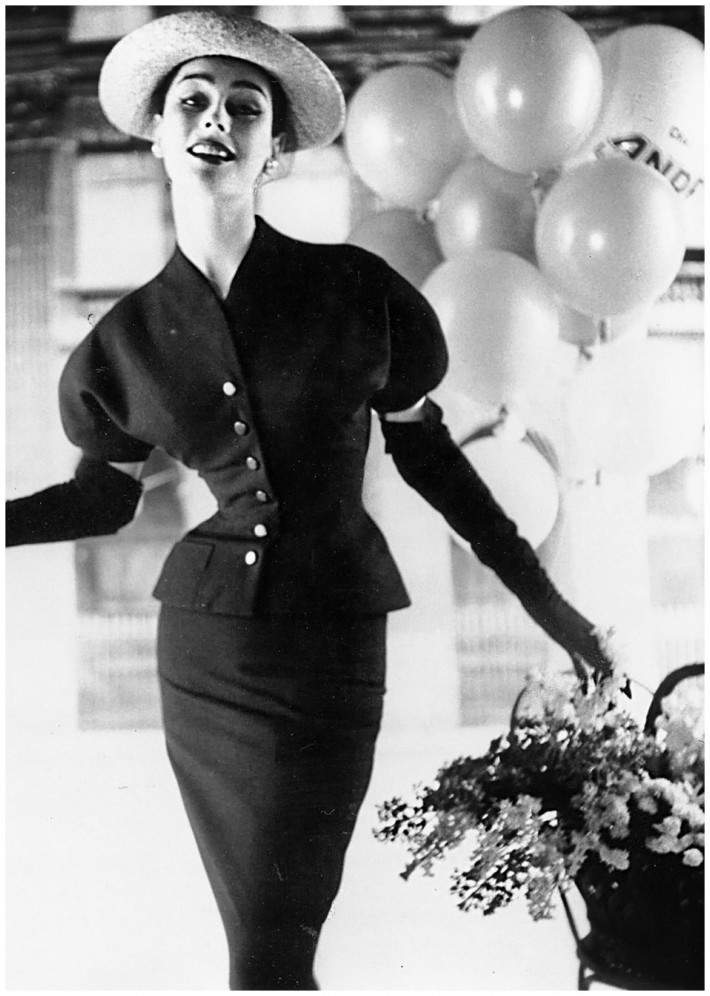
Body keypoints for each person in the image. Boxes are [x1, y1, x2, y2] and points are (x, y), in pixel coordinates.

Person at [5, 10, 615, 991]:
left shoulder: (355, 291)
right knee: (262, 948)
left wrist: (553, 610)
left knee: (279, 936)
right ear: (157, 133)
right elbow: (102, 501)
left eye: (244, 107)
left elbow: (436, 466)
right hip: (207, 655)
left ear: (275, 149)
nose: (216, 118)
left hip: (335, 639)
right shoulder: (122, 343)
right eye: (192, 101)